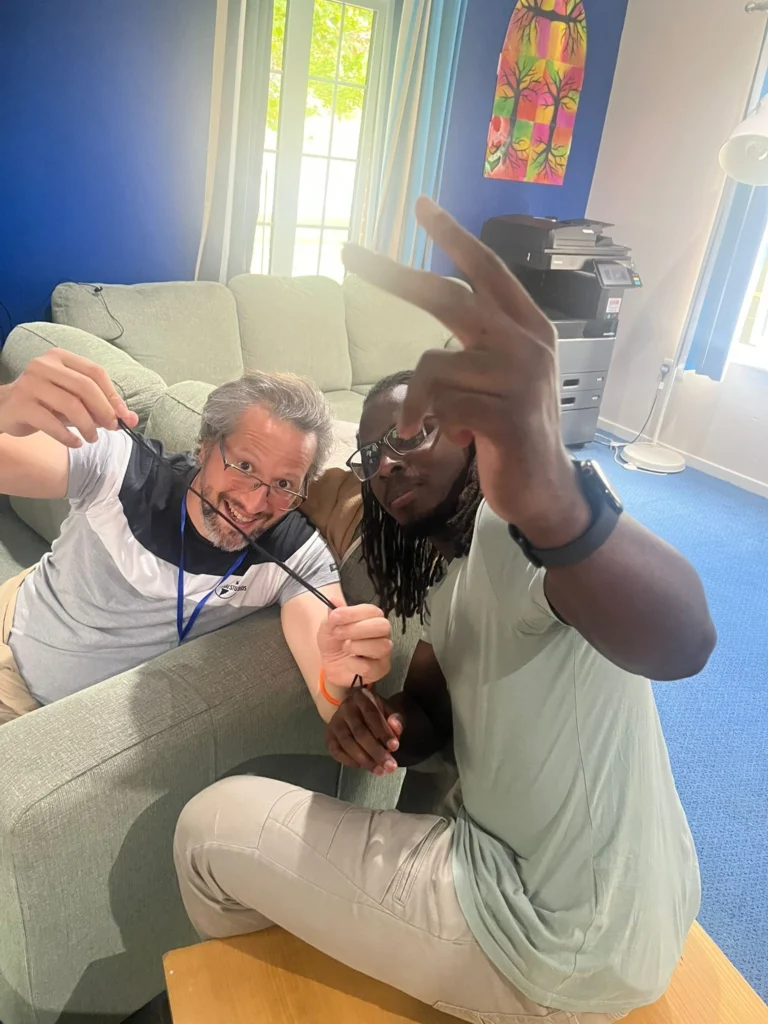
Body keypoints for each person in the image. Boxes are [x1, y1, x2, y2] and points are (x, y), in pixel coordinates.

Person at [173, 198, 717, 1023]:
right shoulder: (435, 577)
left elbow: (684, 643)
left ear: (469, 437)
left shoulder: (513, 529)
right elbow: (431, 715)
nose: (387, 464)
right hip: (639, 901)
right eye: (372, 452)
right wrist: (386, 726)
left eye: (414, 433)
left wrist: (555, 503)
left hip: (553, 932)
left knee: (208, 830)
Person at [0, 355, 392, 723]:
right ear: (204, 448)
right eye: (244, 465)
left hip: (53, 723)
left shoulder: (295, 554)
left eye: (285, 484)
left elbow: (331, 694)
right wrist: (5, 405)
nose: (255, 502)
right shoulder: (116, 467)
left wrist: (345, 677)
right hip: (11, 636)